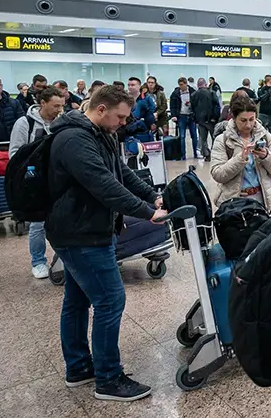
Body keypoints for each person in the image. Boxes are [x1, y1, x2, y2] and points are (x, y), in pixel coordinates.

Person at [47, 85, 166, 402]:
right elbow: (104, 185)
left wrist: (152, 195)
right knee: (110, 300)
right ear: (101, 109)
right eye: (120, 117)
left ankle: (79, 368)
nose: (123, 123)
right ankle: (109, 379)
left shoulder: (101, 134)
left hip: (83, 229)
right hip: (79, 234)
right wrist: (147, 213)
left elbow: (122, 173)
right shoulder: (74, 139)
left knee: (76, 301)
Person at [9, 86, 64, 279]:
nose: (59, 109)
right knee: (38, 224)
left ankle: (64, 259)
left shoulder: (61, 123)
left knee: (62, 222)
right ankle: (38, 261)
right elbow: (14, 154)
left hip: (57, 180)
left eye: (61, 106)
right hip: (35, 182)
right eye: (55, 105)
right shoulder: (24, 123)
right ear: (42, 103)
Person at [210, 97, 271, 212]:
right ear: (234, 118)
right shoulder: (222, 140)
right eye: (243, 120)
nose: (248, 125)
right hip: (234, 204)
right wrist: (240, 159)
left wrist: (266, 156)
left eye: (252, 119)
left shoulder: (265, 136)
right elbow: (217, 174)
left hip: (262, 201)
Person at [170, 77, 199, 160]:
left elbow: (196, 104)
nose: (180, 86)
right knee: (182, 136)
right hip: (181, 116)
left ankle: (195, 153)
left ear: (186, 84)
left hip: (191, 116)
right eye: (179, 85)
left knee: (194, 135)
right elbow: (173, 106)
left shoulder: (193, 92)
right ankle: (183, 155)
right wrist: (174, 115)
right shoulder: (175, 93)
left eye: (182, 84)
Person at [192, 78, 220, 161]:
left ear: (198, 85)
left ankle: (207, 155)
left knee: (203, 139)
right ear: (205, 84)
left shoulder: (194, 94)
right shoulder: (212, 93)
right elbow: (217, 106)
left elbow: (192, 108)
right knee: (214, 138)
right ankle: (215, 155)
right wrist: (216, 117)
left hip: (200, 120)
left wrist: (195, 118)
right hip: (211, 120)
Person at [124, 77, 156, 142]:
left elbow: (151, 113)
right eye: (128, 85)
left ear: (139, 86)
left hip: (143, 131)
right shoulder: (124, 99)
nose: (130, 87)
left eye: (133, 85)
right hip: (128, 130)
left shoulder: (147, 99)